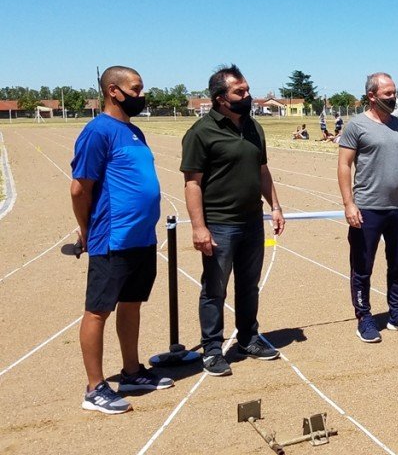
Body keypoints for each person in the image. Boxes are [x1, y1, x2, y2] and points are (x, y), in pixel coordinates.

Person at [71, 65, 173, 414]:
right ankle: (95, 388)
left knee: (132, 304)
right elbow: (79, 188)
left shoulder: (134, 132)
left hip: (142, 237)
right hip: (112, 237)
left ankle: (131, 371)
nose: (142, 95)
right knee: (98, 310)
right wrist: (87, 231)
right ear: (114, 91)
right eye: (136, 88)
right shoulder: (97, 131)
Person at [181, 64, 286, 377]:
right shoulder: (201, 133)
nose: (247, 96)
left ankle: (248, 338)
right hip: (220, 224)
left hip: (252, 221)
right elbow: (192, 183)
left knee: (249, 285)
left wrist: (275, 206)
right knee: (215, 288)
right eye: (239, 92)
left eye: (247, 90)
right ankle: (212, 348)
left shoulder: (255, 128)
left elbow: (262, 170)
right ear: (219, 98)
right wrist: (199, 228)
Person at [338, 73, 398, 343]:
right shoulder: (356, 126)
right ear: (372, 96)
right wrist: (349, 204)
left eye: (394, 92)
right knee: (363, 266)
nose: (393, 97)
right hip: (367, 209)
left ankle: (397, 313)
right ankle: (364, 318)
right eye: (387, 93)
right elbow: (344, 165)